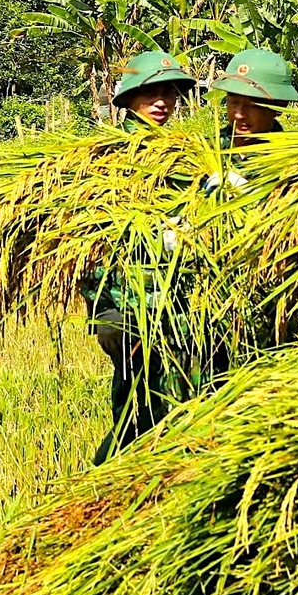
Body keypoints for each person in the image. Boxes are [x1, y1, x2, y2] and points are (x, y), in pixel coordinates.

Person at [88, 49, 201, 463]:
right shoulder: (113, 155)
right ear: (129, 98)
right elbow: (98, 235)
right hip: (127, 303)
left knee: (171, 400)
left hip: (169, 301)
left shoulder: (177, 150)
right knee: (139, 406)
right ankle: (102, 486)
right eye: (151, 92)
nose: (163, 102)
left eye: (170, 93)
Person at [213, 47, 298, 151]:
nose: (239, 114)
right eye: (234, 102)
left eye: (252, 106)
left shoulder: (291, 159)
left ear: (280, 106)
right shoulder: (207, 151)